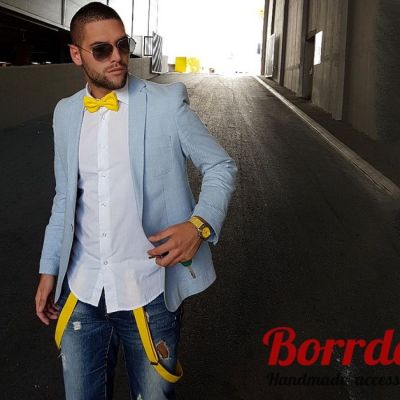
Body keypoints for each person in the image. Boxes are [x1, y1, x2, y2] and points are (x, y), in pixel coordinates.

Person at [34, 2, 236, 399]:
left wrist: (199, 225)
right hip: (83, 289)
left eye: (122, 45)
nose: (117, 57)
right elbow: (65, 198)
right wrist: (48, 269)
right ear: (76, 54)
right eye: (102, 49)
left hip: (150, 292)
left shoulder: (165, 104)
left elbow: (220, 166)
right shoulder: (65, 113)